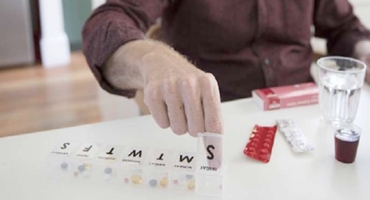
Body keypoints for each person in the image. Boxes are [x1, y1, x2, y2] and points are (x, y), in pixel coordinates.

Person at [82, 0, 370, 137]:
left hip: (306, 121)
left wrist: (363, 51)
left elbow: (344, 28)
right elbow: (106, 22)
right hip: (211, 125)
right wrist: (150, 59)